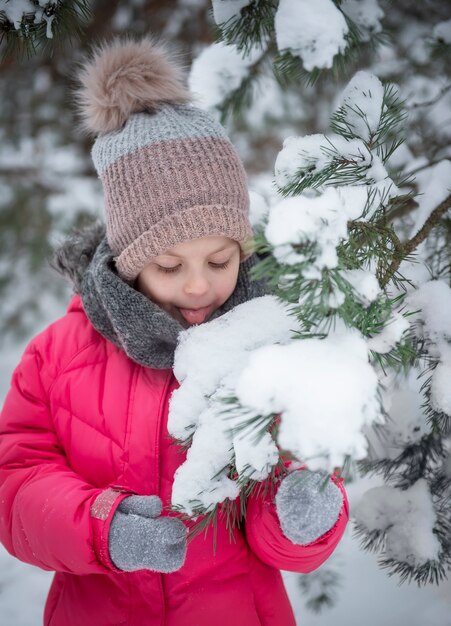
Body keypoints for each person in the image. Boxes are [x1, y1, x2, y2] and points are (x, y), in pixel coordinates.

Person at [0, 37, 349, 626]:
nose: (196, 287)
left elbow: (292, 493)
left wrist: (302, 513)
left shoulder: (270, 348)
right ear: (128, 260)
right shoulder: (58, 356)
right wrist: (100, 528)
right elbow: (16, 481)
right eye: (168, 266)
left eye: (220, 261)